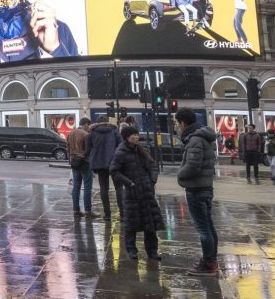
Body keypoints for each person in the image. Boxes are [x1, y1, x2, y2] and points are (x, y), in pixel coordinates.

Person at [109, 126, 164, 261]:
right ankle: (131, 250)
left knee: (150, 223)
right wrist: (129, 183)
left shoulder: (141, 149)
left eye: (137, 135)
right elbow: (114, 170)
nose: (136, 137)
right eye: (133, 135)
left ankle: (152, 251)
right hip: (132, 193)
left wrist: (152, 180)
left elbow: (153, 165)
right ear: (126, 137)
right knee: (131, 224)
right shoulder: (121, 152)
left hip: (146, 191)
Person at [175, 107, 219, 276]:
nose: (178, 127)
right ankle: (211, 260)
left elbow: (193, 165)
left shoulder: (194, 139)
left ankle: (208, 263)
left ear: (183, 123)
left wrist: (180, 175)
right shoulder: (203, 137)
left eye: (177, 123)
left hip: (197, 188)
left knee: (203, 228)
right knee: (208, 226)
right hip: (205, 186)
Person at [86, 118, 123, 220]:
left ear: (97, 123)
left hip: (99, 164)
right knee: (119, 188)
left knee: (104, 188)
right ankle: (123, 214)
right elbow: (121, 145)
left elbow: (88, 149)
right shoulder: (114, 131)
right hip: (114, 163)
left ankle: (107, 215)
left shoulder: (92, 133)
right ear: (107, 121)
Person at [67, 117, 94, 217]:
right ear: (86, 124)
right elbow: (88, 150)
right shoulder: (86, 134)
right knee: (87, 186)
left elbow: (68, 149)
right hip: (84, 162)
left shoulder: (70, 133)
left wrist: (71, 160)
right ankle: (88, 210)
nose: (89, 128)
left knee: (76, 186)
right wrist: (84, 156)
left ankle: (76, 210)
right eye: (89, 126)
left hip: (74, 162)